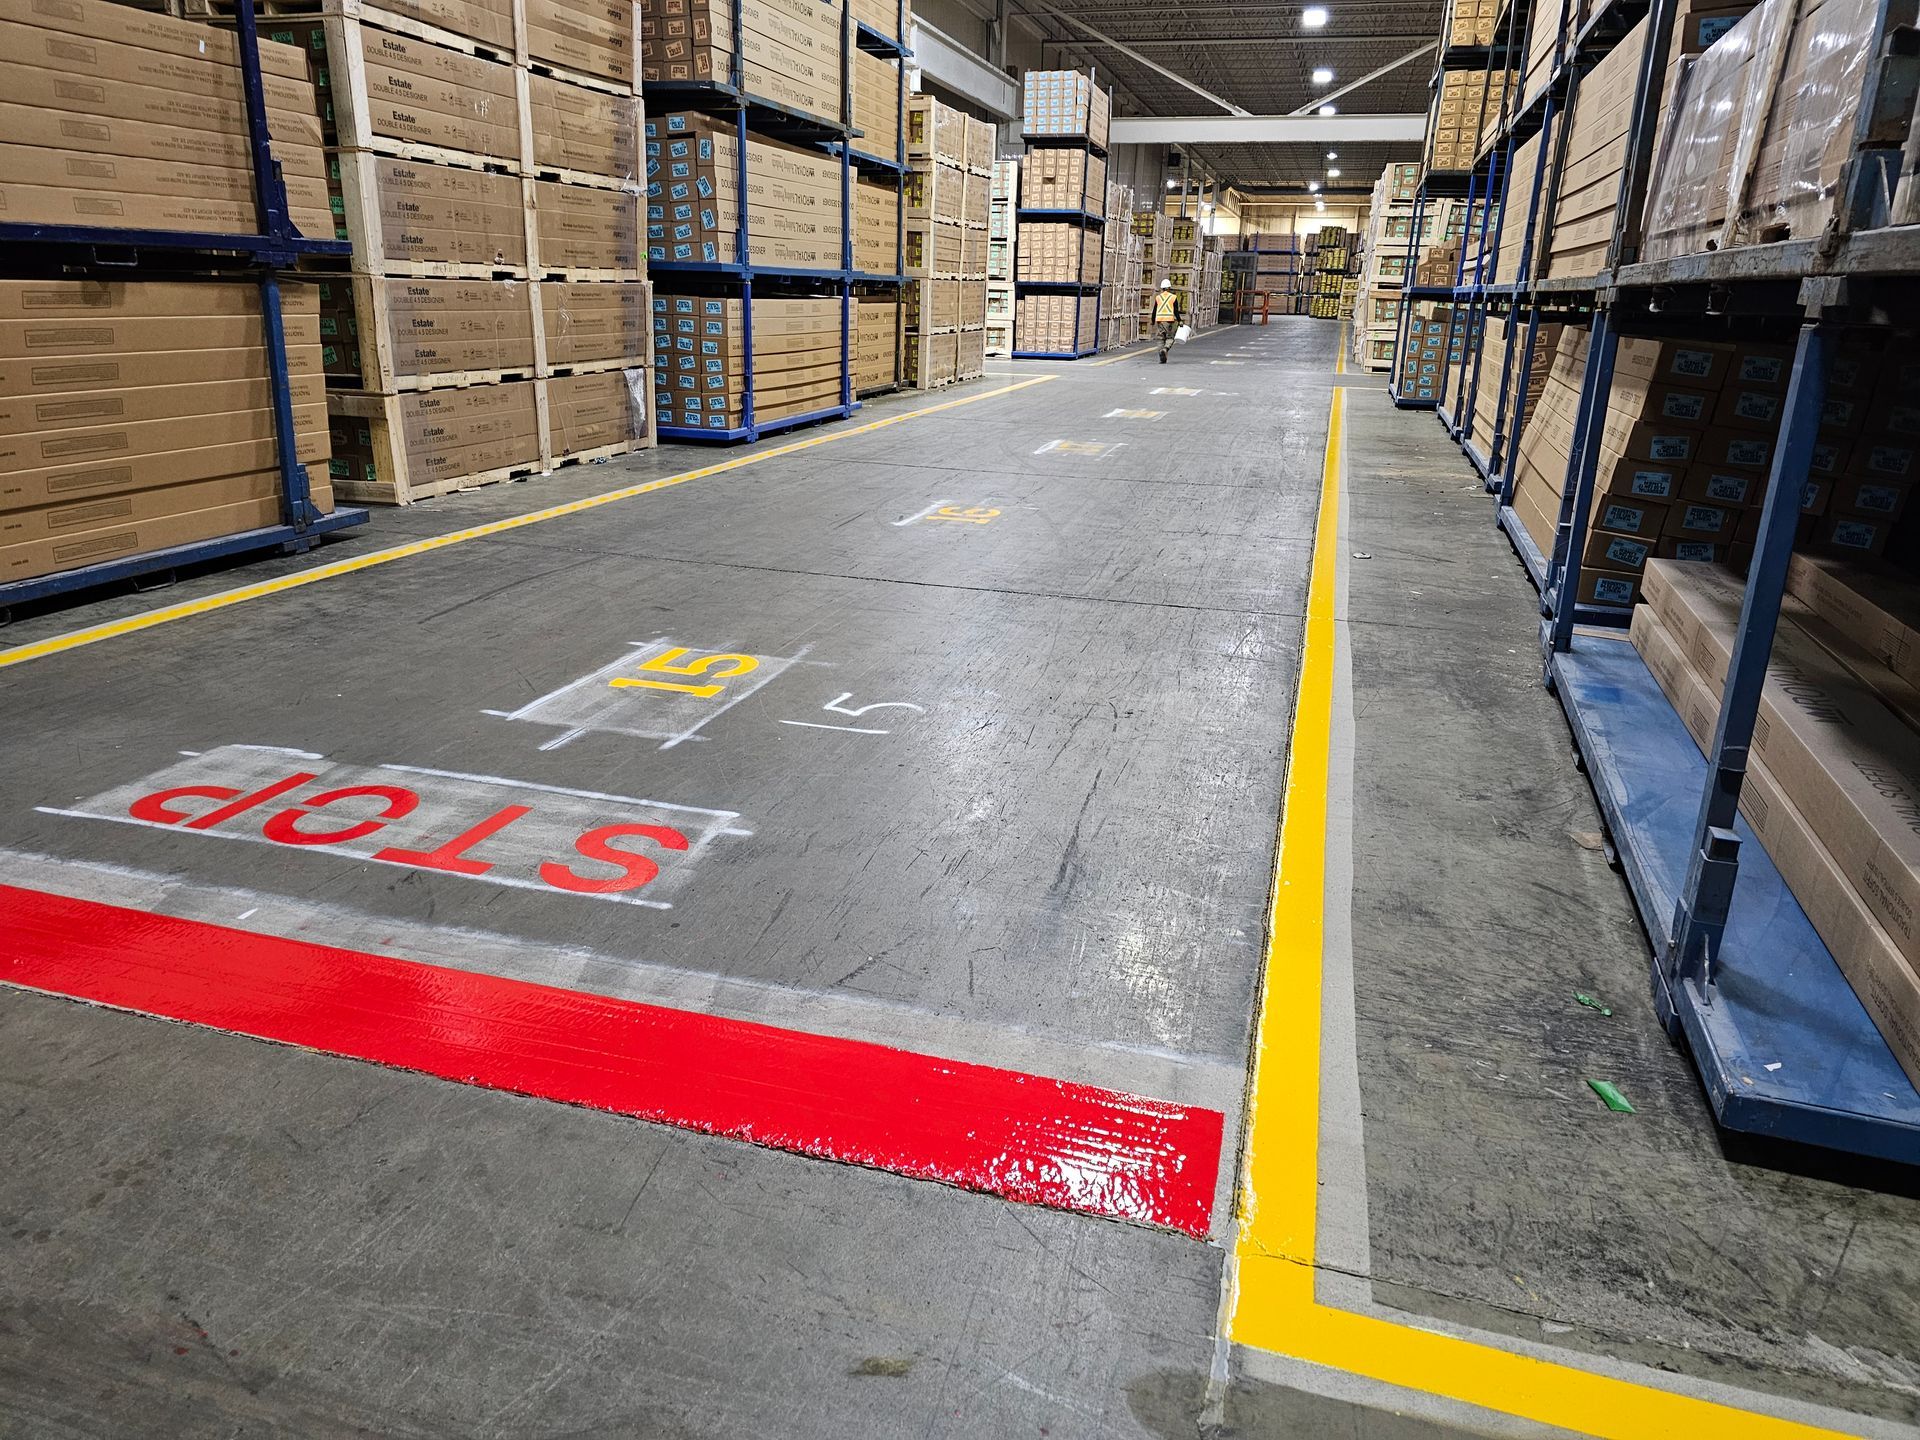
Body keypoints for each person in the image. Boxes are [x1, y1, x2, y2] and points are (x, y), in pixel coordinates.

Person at [1152, 280, 1182, 362]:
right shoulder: (1173, 297)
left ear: (1162, 288)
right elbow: (1176, 311)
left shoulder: (1158, 297)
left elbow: (1154, 310)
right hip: (1169, 321)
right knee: (1170, 338)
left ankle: (1161, 355)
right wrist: (1180, 320)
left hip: (1159, 321)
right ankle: (1165, 349)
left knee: (1160, 338)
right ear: (1169, 288)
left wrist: (1152, 320)